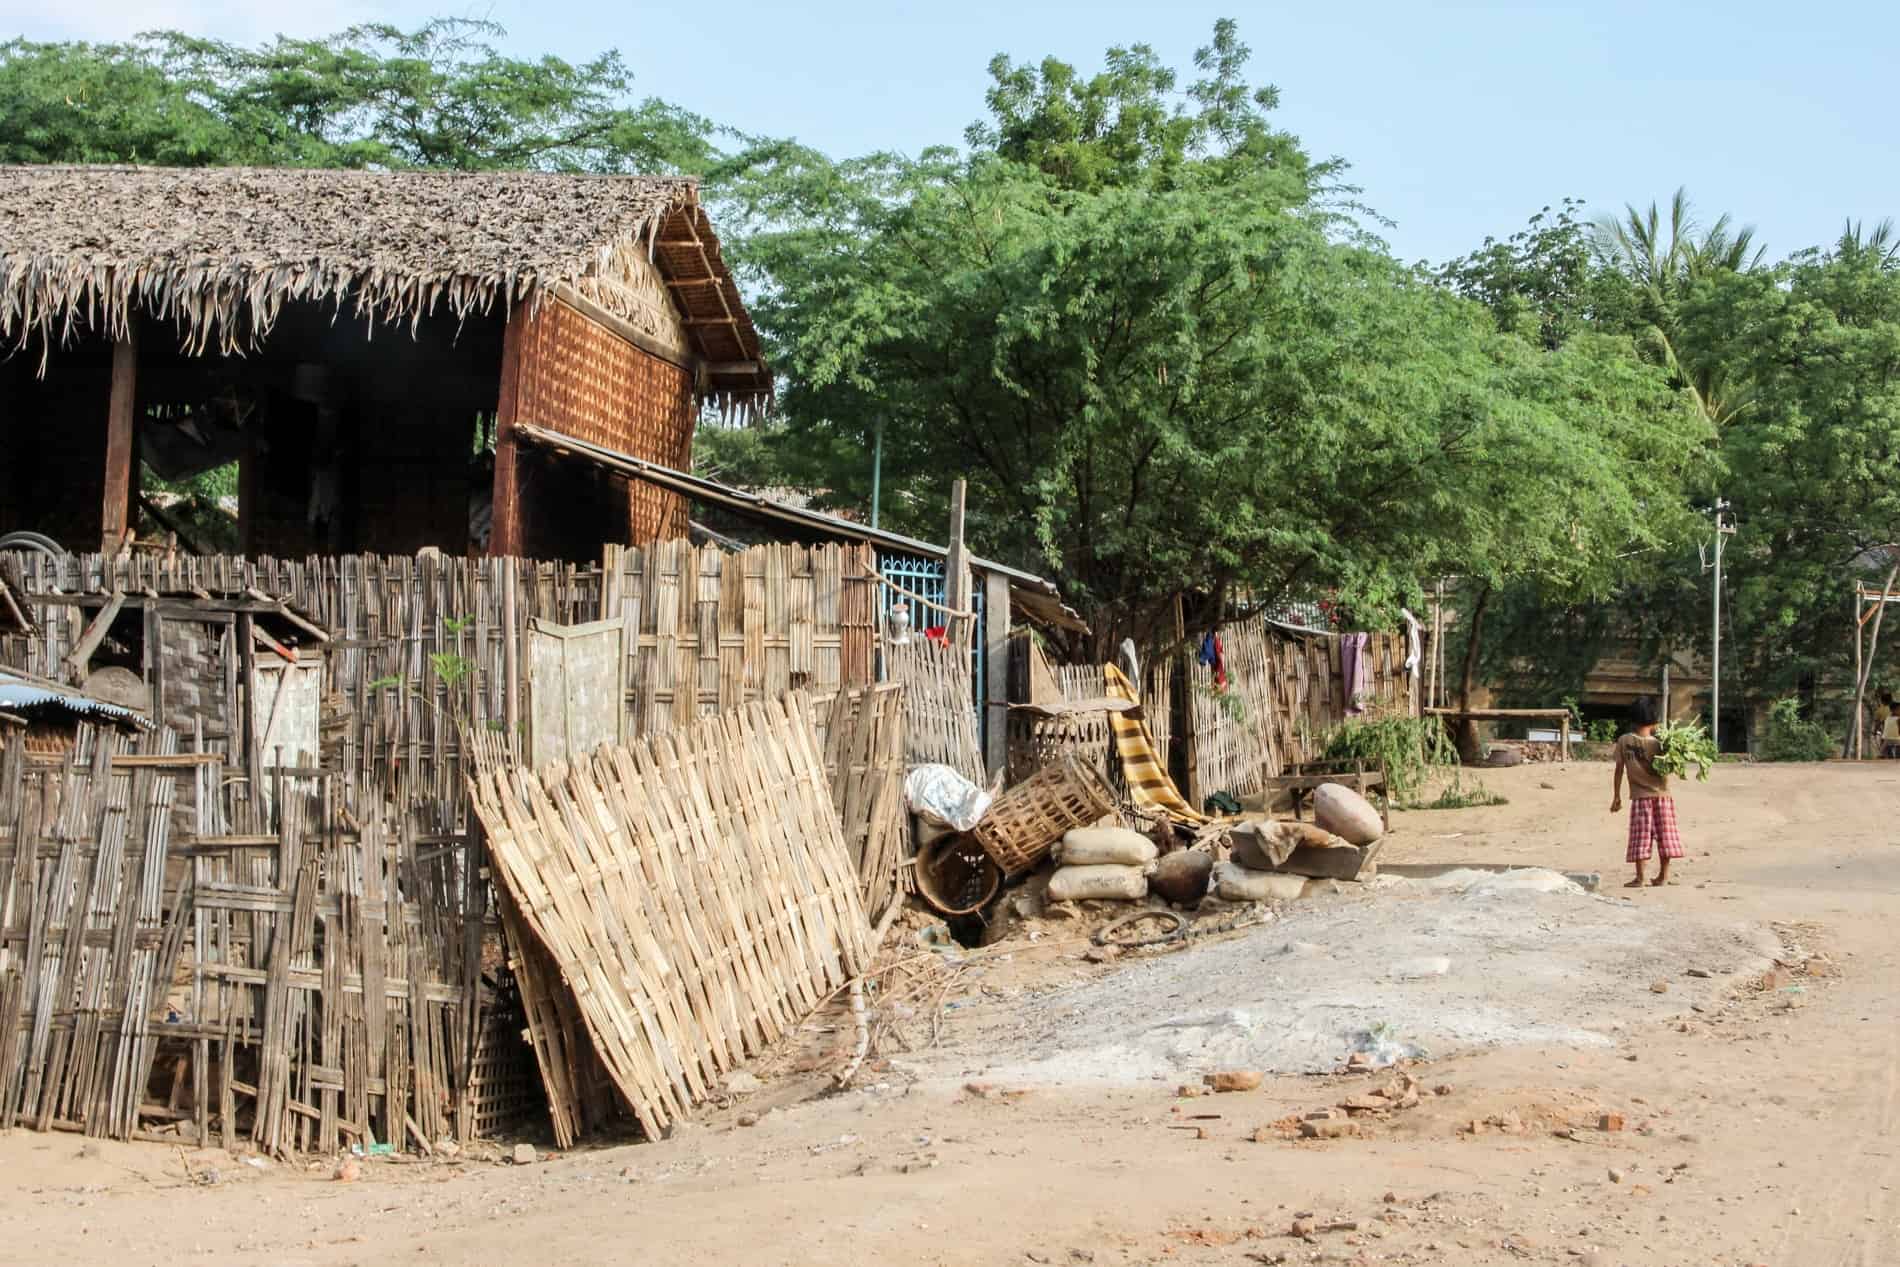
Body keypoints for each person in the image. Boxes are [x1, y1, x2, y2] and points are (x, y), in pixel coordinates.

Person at [1610, 697, 1681, 888]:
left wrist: (1616, 796)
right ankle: (1663, 876)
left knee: (1640, 836)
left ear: (1632, 720)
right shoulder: (1662, 743)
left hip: (1640, 799)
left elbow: (1619, 770)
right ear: (1655, 721)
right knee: (1665, 836)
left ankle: (1640, 878)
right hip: (1662, 797)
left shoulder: (1624, 741)